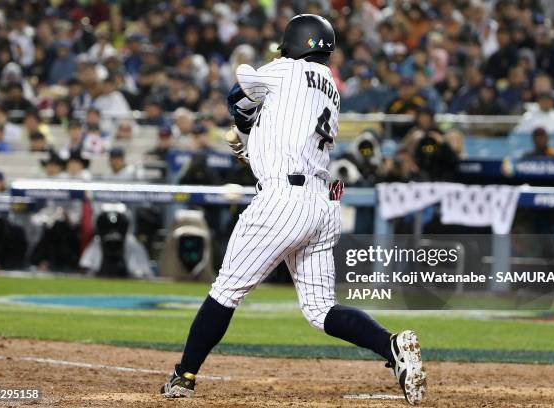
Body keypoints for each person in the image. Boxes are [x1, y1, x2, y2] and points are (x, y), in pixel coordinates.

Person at [160, 15, 426, 406]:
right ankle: (392, 346)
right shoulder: (331, 87)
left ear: (294, 44)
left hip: (283, 200)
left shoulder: (286, 69)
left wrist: (245, 124)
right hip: (322, 203)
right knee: (321, 310)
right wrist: (254, 134)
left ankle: (183, 376)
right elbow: (283, 122)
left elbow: (238, 89)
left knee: (225, 292)